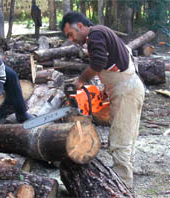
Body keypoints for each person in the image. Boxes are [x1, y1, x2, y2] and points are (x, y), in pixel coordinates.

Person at [61, 12, 145, 189]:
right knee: (126, 135)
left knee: (120, 138)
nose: (71, 39)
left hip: (126, 91)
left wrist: (81, 80)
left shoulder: (96, 34)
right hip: (126, 88)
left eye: (71, 34)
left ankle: (122, 185)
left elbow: (98, 62)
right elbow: (120, 59)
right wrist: (106, 90)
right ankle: (125, 175)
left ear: (81, 26)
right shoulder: (101, 33)